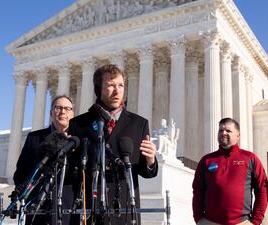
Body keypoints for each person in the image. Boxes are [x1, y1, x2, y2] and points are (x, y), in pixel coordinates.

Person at [67, 64, 158, 225]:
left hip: (124, 209)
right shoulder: (78, 124)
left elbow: (146, 171)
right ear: (98, 88)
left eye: (121, 85)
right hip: (90, 209)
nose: (117, 91)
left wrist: (151, 160)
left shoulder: (139, 124)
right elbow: (72, 170)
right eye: (110, 85)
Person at [192, 118, 268, 225]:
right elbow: (197, 190)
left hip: (242, 222)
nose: (223, 133)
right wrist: (199, 219)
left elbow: (262, 190)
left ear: (238, 135)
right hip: (209, 222)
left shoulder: (250, 158)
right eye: (220, 130)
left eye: (228, 131)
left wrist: (255, 221)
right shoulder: (206, 161)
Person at [12, 95, 75, 225]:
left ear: (72, 114)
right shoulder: (34, 138)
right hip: (36, 210)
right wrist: (27, 195)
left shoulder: (78, 141)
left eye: (67, 109)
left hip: (68, 211)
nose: (63, 111)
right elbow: (20, 173)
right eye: (58, 108)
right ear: (52, 113)